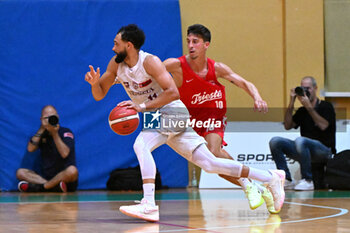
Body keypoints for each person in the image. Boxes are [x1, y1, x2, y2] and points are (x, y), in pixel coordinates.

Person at [84, 24, 285, 222]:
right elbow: (100, 94)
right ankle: (270, 177)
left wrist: (142, 106)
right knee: (210, 163)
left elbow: (173, 93)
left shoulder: (150, 62)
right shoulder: (115, 64)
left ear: (129, 45)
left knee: (141, 144)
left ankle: (148, 204)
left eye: (116, 43)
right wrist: (95, 84)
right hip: (158, 116)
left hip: (173, 111)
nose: (113, 47)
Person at [164, 24, 278, 213]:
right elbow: (151, 70)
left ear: (206, 44)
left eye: (196, 42)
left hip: (213, 115)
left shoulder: (216, 68)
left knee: (214, 151)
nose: (191, 45)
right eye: (188, 41)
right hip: (190, 119)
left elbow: (244, 82)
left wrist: (257, 97)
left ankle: (250, 184)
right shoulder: (176, 64)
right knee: (212, 165)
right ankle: (253, 185)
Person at [269, 76, 336, 191]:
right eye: (303, 89)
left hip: (324, 151)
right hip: (304, 151)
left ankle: (308, 180)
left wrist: (309, 107)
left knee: (300, 140)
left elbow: (323, 126)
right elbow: (287, 126)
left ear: (315, 88)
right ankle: (287, 179)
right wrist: (291, 102)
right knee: (275, 141)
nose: (305, 92)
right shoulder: (302, 111)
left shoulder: (326, 106)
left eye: (308, 88)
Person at [17, 105, 79, 192]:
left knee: (72, 171)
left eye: (52, 117)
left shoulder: (65, 132)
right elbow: (30, 149)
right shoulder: (41, 134)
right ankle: (53, 187)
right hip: (46, 177)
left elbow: (65, 154)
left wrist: (55, 134)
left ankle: (41, 188)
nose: (50, 119)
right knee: (20, 172)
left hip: (64, 178)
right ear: (41, 119)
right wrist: (42, 128)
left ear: (57, 117)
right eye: (47, 117)